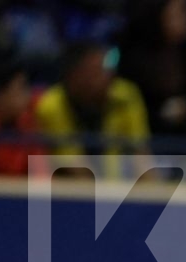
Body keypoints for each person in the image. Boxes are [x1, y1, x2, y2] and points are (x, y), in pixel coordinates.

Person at [34, 41, 151, 174]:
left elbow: (141, 155)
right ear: (74, 76)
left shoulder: (125, 95)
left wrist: (153, 191)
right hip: (69, 189)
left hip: (118, 185)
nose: (107, 76)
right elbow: (75, 167)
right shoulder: (51, 105)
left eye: (106, 69)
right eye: (96, 71)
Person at [117, 0, 186, 144]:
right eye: (179, 13)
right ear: (158, 16)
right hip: (149, 141)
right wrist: (163, 114)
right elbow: (131, 112)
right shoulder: (132, 55)